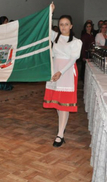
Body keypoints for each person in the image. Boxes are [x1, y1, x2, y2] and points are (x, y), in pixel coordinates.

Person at [43, 14, 82, 147]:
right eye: (61, 24)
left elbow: (72, 60)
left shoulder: (76, 42)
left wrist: (61, 72)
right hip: (55, 71)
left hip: (66, 72)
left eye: (66, 24)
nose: (63, 27)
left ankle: (60, 134)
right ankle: (62, 127)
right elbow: (44, 27)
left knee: (64, 104)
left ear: (71, 26)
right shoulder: (56, 37)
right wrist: (50, 12)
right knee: (58, 102)